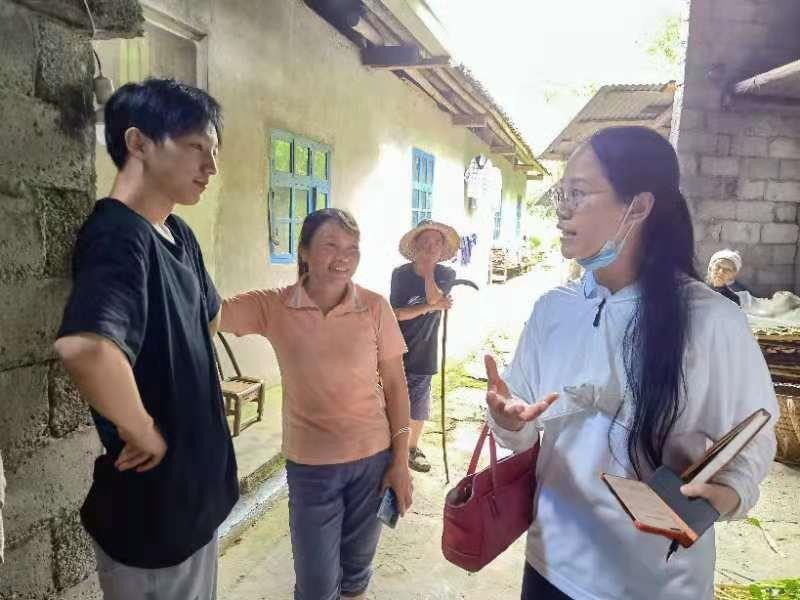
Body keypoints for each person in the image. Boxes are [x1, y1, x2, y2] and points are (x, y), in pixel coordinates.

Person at [484, 126, 777, 600]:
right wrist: (510, 420)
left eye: (578, 193)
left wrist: (727, 496)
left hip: (654, 583)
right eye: (562, 193)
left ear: (638, 206)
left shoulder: (711, 320)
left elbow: (751, 440)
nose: (562, 210)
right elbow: (522, 427)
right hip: (550, 562)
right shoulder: (554, 309)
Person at [54, 79, 237, 600]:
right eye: (196, 146)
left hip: (192, 501)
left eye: (214, 151)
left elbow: (210, 317)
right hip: (155, 514)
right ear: (138, 143)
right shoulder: (118, 235)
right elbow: (86, 348)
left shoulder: (177, 233)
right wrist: (141, 430)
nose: (211, 166)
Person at [219, 208, 413, 600]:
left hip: (372, 462)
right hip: (311, 469)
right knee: (316, 587)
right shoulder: (274, 307)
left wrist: (400, 461)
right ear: (304, 251)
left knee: (356, 575)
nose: (343, 257)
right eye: (331, 245)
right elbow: (209, 313)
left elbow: (395, 384)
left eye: (352, 248)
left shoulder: (375, 307)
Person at [390, 220, 459, 472]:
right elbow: (397, 314)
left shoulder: (447, 275)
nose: (431, 247)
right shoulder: (400, 274)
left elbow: (434, 296)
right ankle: (392, 447)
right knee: (392, 400)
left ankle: (411, 448)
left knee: (418, 404)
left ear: (442, 249)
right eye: (426, 241)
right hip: (395, 347)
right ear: (415, 245)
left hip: (425, 350)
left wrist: (429, 271)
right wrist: (432, 306)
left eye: (437, 243)